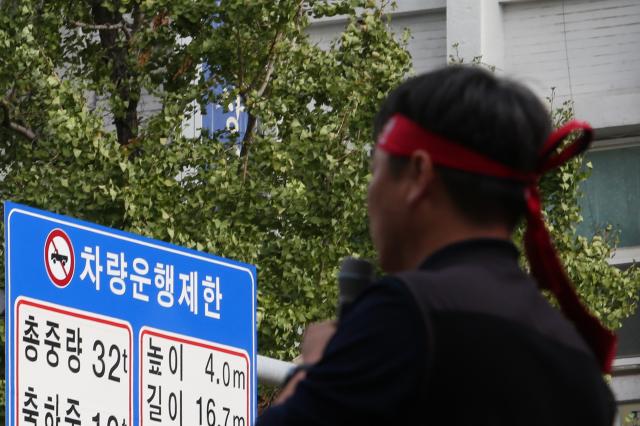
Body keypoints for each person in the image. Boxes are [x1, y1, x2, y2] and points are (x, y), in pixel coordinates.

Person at [257, 66, 616, 425]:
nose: (370, 193)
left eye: (375, 169)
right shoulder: (578, 361)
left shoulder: (405, 315)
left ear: (418, 174)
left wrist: (314, 371)